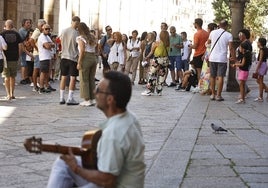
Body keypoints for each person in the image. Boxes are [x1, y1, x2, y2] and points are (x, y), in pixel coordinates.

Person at [47, 71, 145, 188]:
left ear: (110, 99)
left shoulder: (113, 134)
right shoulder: (130, 118)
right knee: (63, 163)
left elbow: (107, 181)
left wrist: (76, 168)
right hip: (121, 180)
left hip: (113, 184)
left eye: (98, 90)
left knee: (66, 165)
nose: (94, 92)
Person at [208, 19, 235, 101]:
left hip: (212, 57)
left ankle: (213, 94)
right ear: (226, 26)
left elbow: (208, 42)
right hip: (222, 58)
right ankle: (218, 95)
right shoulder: (229, 35)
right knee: (220, 77)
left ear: (219, 25)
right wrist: (233, 57)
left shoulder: (212, 33)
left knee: (212, 76)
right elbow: (231, 48)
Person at [59, 16, 81, 105]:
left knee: (63, 77)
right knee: (72, 78)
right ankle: (70, 98)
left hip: (64, 56)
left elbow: (61, 42)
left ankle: (61, 97)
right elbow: (78, 46)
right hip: (73, 57)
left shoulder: (64, 31)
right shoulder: (77, 33)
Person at [141, 30, 170, 96]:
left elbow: (151, 52)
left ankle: (150, 90)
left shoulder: (157, 43)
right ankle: (159, 91)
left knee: (152, 75)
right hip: (165, 60)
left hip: (157, 60)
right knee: (161, 75)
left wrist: (146, 57)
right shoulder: (168, 44)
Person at [76, 22, 98, 107]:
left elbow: (82, 51)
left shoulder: (81, 38)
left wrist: (79, 62)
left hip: (86, 57)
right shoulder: (92, 36)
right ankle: (92, 99)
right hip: (93, 57)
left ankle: (86, 99)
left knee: (84, 79)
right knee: (91, 79)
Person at [1, 20, 23, 100]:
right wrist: (18, 55)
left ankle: (8, 94)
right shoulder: (17, 34)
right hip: (14, 58)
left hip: (5, 58)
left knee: (6, 77)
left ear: (5, 25)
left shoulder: (2, 34)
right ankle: (12, 93)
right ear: (12, 25)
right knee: (13, 77)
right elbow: (20, 46)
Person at [196, 23, 218, 95]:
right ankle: (210, 88)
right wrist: (205, 54)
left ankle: (208, 88)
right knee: (209, 72)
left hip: (210, 56)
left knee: (208, 73)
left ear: (209, 29)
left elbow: (209, 45)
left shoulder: (212, 35)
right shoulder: (214, 35)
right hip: (208, 55)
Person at [29, 19, 47, 92]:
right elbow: (31, 40)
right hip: (37, 54)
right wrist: (37, 48)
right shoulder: (37, 32)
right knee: (36, 69)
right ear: (41, 25)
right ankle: (35, 85)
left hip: (41, 54)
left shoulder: (40, 32)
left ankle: (39, 84)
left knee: (39, 69)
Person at [189, 18, 209, 82]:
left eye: (194, 23)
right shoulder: (206, 33)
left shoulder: (197, 34)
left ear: (196, 24)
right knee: (204, 71)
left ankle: (199, 85)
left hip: (198, 54)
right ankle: (203, 85)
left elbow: (195, 46)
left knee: (199, 71)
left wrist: (190, 46)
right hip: (205, 54)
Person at [37, 24, 55, 93]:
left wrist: (49, 45)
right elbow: (47, 46)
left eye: (49, 29)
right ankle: (41, 87)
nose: (48, 30)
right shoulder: (42, 37)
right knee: (43, 72)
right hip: (44, 57)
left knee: (47, 72)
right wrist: (49, 45)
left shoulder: (47, 36)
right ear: (42, 29)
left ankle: (46, 85)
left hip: (48, 57)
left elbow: (53, 44)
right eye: (46, 29)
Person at [18, 18, 32, 85]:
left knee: (26, 64)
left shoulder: (28, 30)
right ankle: (23, 78)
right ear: (23, 23)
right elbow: (21, 41)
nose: (29, 24)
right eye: (27, 23)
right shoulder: (21, 31)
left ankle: (26, 77)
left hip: (28, 48)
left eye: (29, 22)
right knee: (23, 63)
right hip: (23, 49)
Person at [254, 37, 268, 102]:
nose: (257, 43)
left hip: (262, 65)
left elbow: (260, 59)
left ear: (260, 43)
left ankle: (260, 96)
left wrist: (257, 69)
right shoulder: (265, 49)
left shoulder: (262, 50)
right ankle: (266, 89)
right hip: (264, 64)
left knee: (260, 80)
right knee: (259, 80)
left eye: (258, 42)